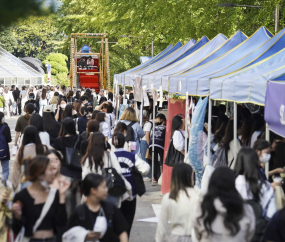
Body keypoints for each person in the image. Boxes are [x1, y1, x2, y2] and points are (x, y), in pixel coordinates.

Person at [12, 156, 68, 242]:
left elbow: (61, 223)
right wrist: (18, 217)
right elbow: (15, 229)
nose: (54, 172)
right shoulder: (21, 196)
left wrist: (62, 195)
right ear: (39, 174)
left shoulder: (55, 194)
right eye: (50, 170)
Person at [193, 166, 255, 242]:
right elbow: (249, 234)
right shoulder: (246, 209)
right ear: (233, 184)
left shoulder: (202, 208)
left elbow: (197, 233)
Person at [65, 173, 129, 242]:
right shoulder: (79, 212)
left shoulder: (111, 208)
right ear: (93, 190)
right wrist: (85, 236)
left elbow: (122, 232)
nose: (106, 190)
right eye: (103, 187)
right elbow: (69, 236)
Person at [113, 133, 150, 236]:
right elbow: (146, 168)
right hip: (130, 194)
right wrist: (135, 172)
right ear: (124, 142)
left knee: (115, 223)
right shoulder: (132, 156)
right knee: (127, 222)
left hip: (115, 193)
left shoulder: (110, 156)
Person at [81, 132, 132, 205]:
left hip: (93, 193)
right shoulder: (110, 155)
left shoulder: (87, 158)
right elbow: (119, 171)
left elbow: (85, 177)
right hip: (109, 190)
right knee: (110, 214)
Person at [156, 163, 199, 242]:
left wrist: (159, 239)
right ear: (190, 176)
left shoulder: (169, 197)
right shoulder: (198, 195)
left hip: (176, 237)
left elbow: (162, 227)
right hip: (195, 237)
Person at [234, 147, 277, 221]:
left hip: (236, 228)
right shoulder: (266, 186)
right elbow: (271, 215)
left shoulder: (230, 184)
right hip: (259, 229)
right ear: (256, 161)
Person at [11, 125, 51, 190]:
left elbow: (16, 169)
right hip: (41, 180)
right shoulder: (43, 148)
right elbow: (58, 154)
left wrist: (13, 186)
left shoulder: (21, 150)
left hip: (25, 181)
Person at [149, 113, 166, 182]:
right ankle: (163, 175)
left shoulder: (154, 127)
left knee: (155, 161)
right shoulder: (165, 128)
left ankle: (155, 177)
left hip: (152, 144)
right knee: (163, 160)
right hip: (160, 145)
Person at [0, 112, 11, 181]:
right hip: (4, 151)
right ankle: (4, 185)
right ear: (2, 118)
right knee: (5, 169)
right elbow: (9, 140)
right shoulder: (6, 127)